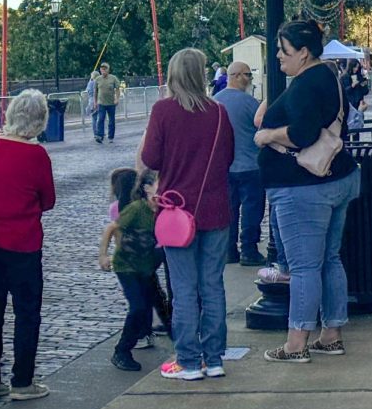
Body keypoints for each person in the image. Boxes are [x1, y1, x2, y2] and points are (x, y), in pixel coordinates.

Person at [254, 20, 361, 364]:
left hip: (303, 188)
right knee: (329, 259)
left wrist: (268, 136)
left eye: (284, 51)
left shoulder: (304, 85)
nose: (278, 56)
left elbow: (301, 133)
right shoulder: (329, 74)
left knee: (303, 267)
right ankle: (331, 335)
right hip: (335, 179)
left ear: (303, 52)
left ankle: (296, 343)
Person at [140, 48, 234, 381]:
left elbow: (150, 158)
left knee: (183, 289)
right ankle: (215, 357)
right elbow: (228, 158)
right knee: (212, 286)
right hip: (215, 209)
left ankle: (189, 361)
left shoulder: (163, 110)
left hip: (178, 212)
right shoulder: (219, 112)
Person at [0, 89, 56, 402]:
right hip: (23, 244)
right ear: (39, 120)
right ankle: (22, 380)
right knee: (26, 314)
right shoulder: (37, 155)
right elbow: (48, 200)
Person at [99, 169, 160, 371]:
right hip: (126, 266)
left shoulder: (159, 209)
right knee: (138, 307)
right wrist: (103, 255)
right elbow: (111, 228)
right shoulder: (135, 208)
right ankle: (122, 350)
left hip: (144, 265)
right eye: (159, 183)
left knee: (148, 304)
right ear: (147, 188)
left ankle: (140, 338)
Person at [215, 60, 265, 267]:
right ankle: (249, 250)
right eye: (247, 75)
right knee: (252, 210)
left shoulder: (214, 102)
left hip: (225, 167)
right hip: (251, 165)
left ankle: (229, 251)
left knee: (229, 210)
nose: (249, 79)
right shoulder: (250, 103)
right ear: (235, 76)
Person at [93, 62, 121, 144]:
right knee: (100, 119)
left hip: (111, 103)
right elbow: (95, 91)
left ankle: (111, 136)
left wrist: (117, 99)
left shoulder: (113, 78)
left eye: (105, 69)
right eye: (102, 69)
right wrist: (95, 102)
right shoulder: (98, 79)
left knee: (111, 120)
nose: (103, 71)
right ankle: (100, 135)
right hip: (101, 103)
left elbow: (117, 89)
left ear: (108, 70)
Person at [85, 70, 100, 138]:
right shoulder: (96, 82)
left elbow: (87, 91)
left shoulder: (90, 83)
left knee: (94, 118)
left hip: (90, 102)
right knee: (99, 118)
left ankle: (95, 133)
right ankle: (99, 132)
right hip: (96, 101)